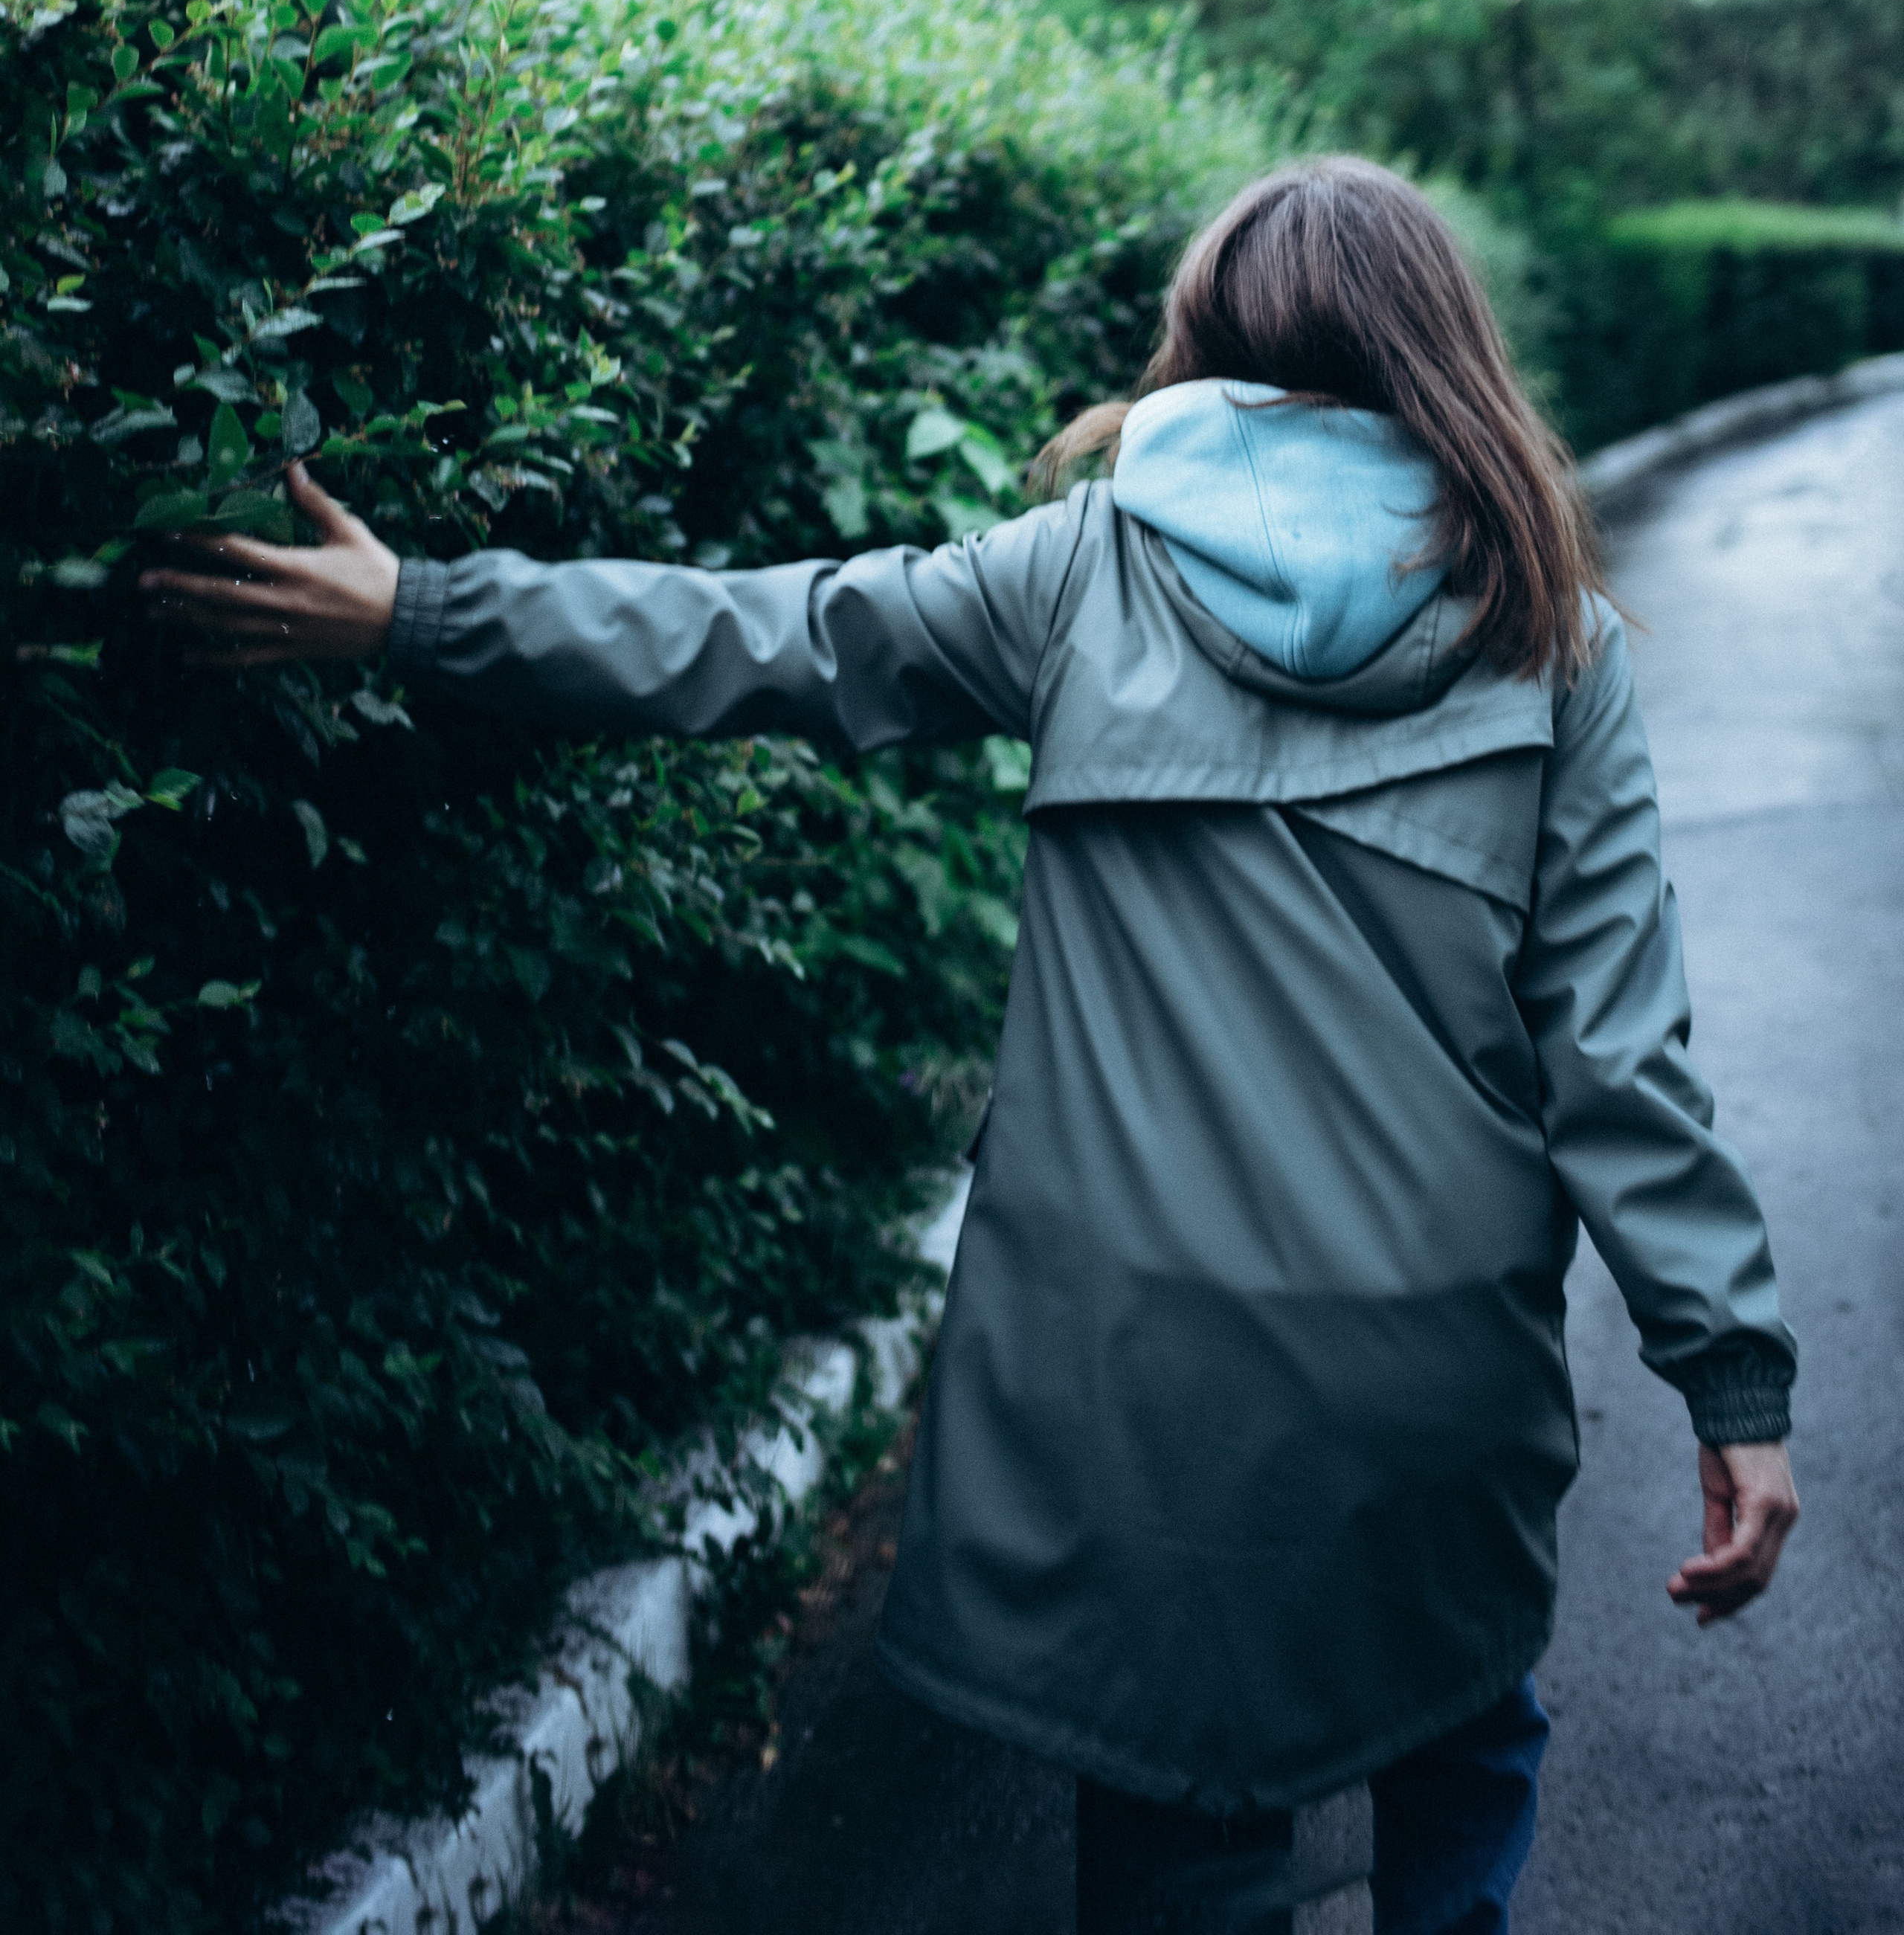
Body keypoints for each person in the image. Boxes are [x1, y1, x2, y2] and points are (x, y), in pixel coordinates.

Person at [143, 156, 1798, 1935]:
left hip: (1137, 1388)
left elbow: (755, 638)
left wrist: (416, 606)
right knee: (1458, 1730)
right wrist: (1731, 1387)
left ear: (1206, 338)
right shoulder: (1549, 637)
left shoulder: (1081, 575)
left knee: (1181, 1828)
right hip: (1436, 1384)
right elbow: (1619, 1063)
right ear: (1445, 351)